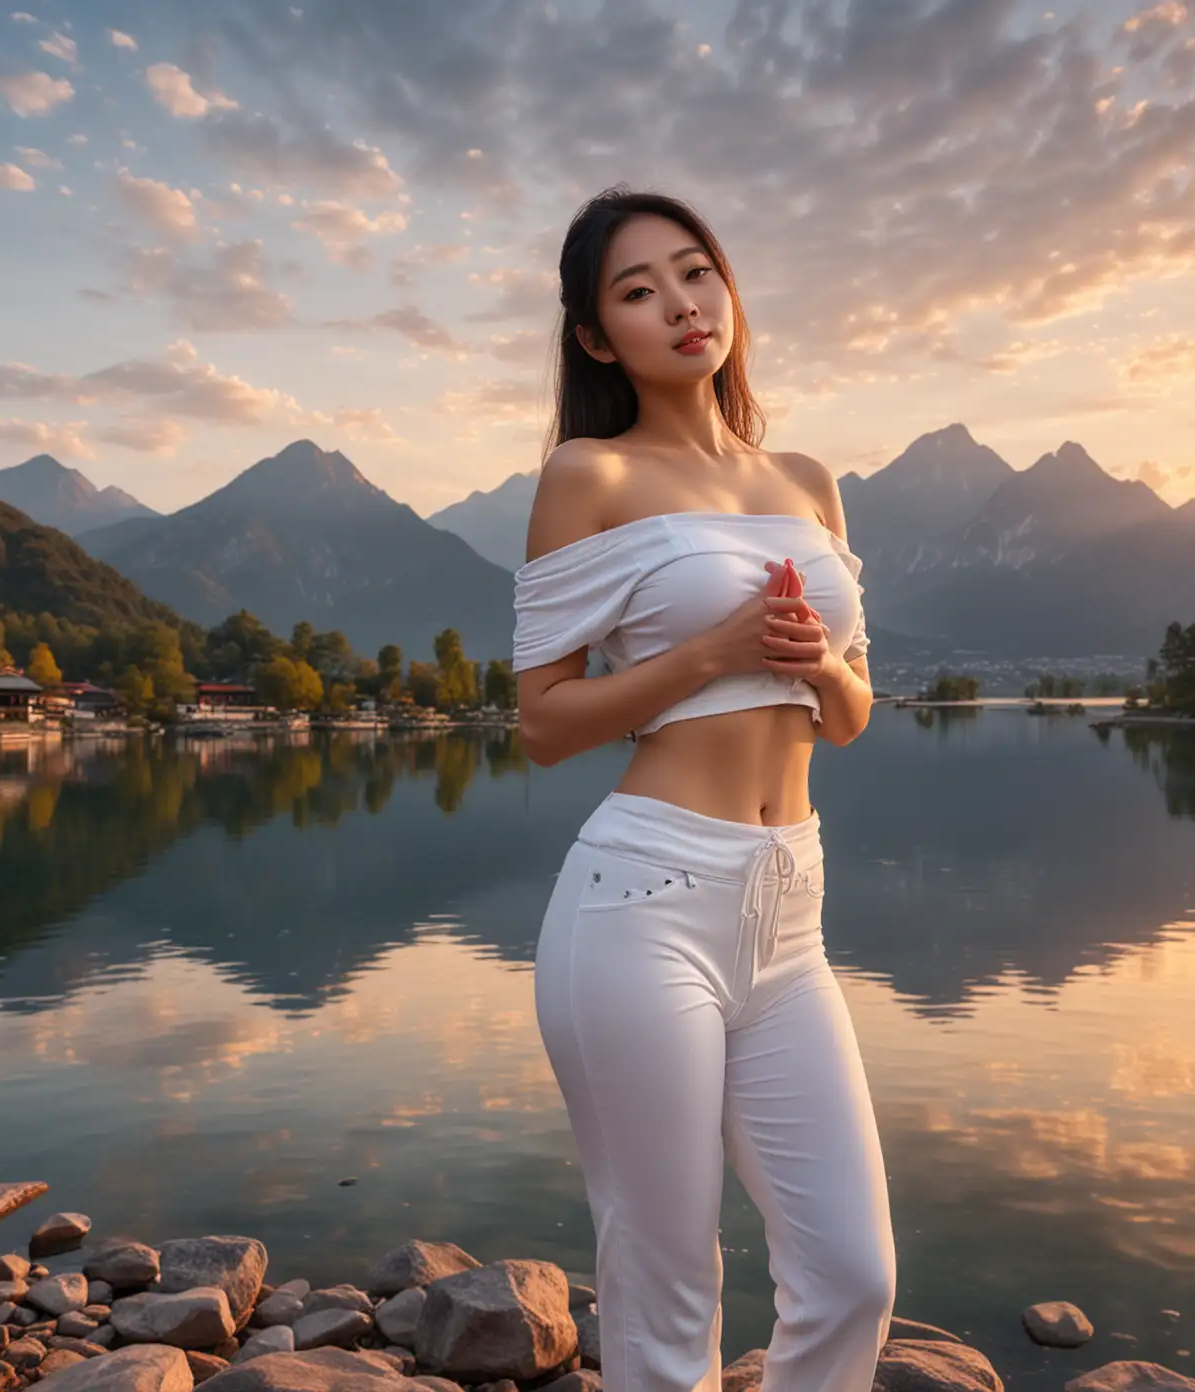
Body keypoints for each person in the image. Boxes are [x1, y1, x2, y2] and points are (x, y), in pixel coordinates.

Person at [513, 186, 897, 1392]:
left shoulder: (810, 479)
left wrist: (817, 658)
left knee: (852, 1278)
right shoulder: (592, 474)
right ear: (595, 337)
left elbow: (851, 715)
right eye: (638, 290)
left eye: (696, 272)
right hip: (644, 902)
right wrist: (711, 655)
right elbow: (542, 724)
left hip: (791, 913)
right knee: (669, 1291)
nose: (681, 303)